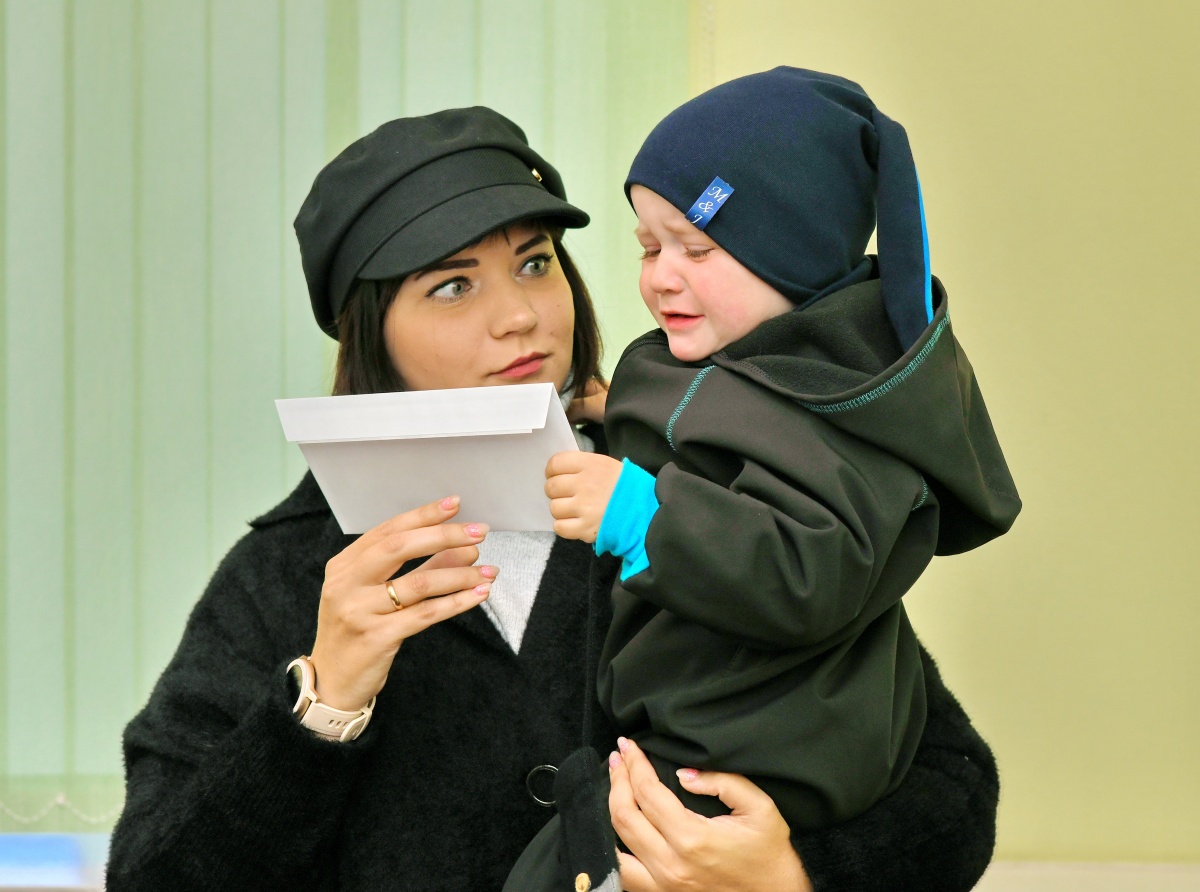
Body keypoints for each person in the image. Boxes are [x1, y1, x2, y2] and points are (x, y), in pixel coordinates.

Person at [106, 105, 1004, 892]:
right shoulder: (288, 574)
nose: (521, 315)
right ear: (370, 329)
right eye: (452, 285)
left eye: (535, 264)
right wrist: (324, 701)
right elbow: (152, 876)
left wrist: (799, 876)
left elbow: (951, 779)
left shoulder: (702, 496)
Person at [518, 68, 1020, 886]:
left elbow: (811, 565)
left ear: (798, 250)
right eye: (648, 247)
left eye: (698, 248)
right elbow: (713, 436)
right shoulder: (741, 361)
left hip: (755, 757)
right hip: (695, 736)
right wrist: (620, 415)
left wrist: (643, 516)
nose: (661, 275)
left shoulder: (841, 405)